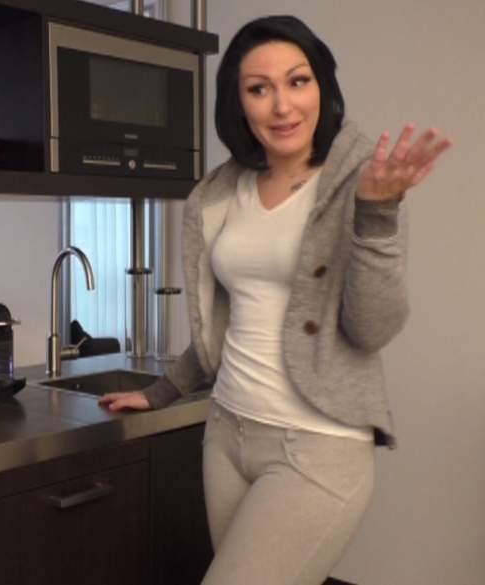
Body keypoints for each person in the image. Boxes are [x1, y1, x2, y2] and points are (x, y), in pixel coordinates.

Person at [98, 15, 451, 585]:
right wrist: (162, 391)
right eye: (259, 89)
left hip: (317, 447)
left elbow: (372, 327)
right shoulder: (220, 191)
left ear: (322, 87)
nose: (282, 105)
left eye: (298, 81)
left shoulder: (365, 182)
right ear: (239, 104)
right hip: (227, 434)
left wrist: (377, 215)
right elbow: (226, 320)